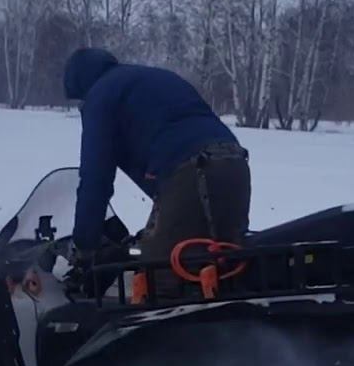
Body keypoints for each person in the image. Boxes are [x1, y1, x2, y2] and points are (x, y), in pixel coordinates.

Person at [61, 48, 251, 296]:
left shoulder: (101, 96)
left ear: (82, 85)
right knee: (222, 267)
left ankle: (169, 335)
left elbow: (95, 180)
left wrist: (84, 247)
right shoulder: (151, 79)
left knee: (157, 275)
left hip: (193, 171)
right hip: (234, 165)